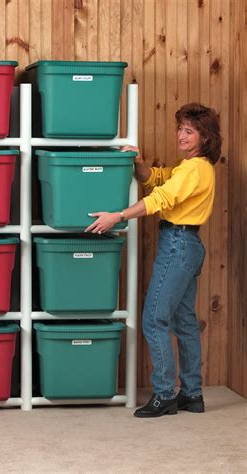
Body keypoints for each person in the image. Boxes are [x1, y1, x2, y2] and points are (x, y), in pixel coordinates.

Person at [85, 103, 221, 418]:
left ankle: (164, 395)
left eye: (190, 131)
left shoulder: (195, 169)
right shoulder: (189, 167)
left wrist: (117, 216)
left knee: (154, 319)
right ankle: (192, 395)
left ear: (205, 138)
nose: (181, 136)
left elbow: (160, 198)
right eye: (180, 128)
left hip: (178, 245)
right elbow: (157, 180)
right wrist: (139, 162)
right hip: (188, 245)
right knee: (184, 322)